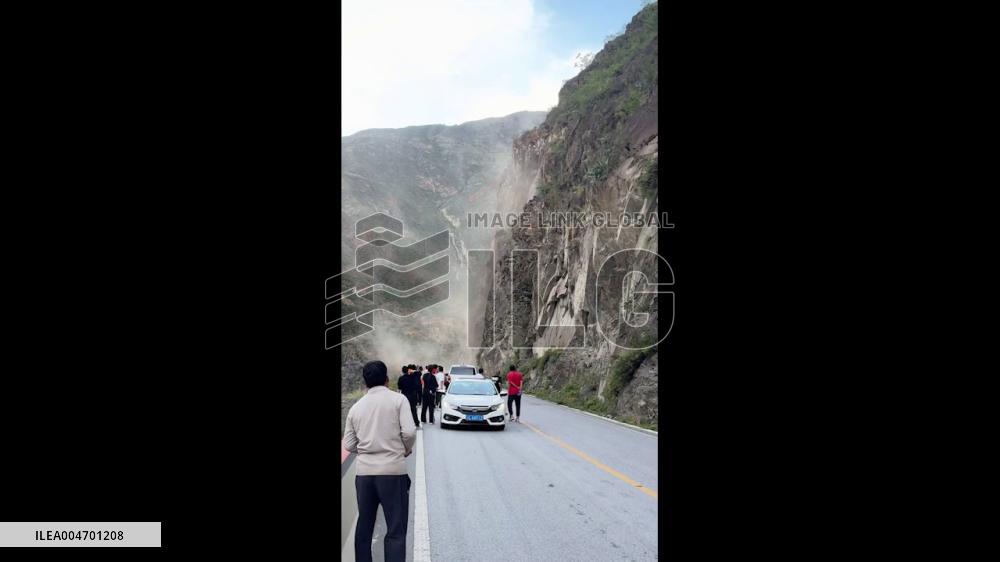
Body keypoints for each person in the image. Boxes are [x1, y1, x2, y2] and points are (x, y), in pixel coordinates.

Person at [343, 361, 416, 562]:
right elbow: (409, 432)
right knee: (395, 529)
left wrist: (367, 451)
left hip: (364, 475)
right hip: (393, 472)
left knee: (364, 527)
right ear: (386, 379)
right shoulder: (398, 400)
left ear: (365, 382)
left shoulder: (356, 408)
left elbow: (348, 444)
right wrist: (403, 450)